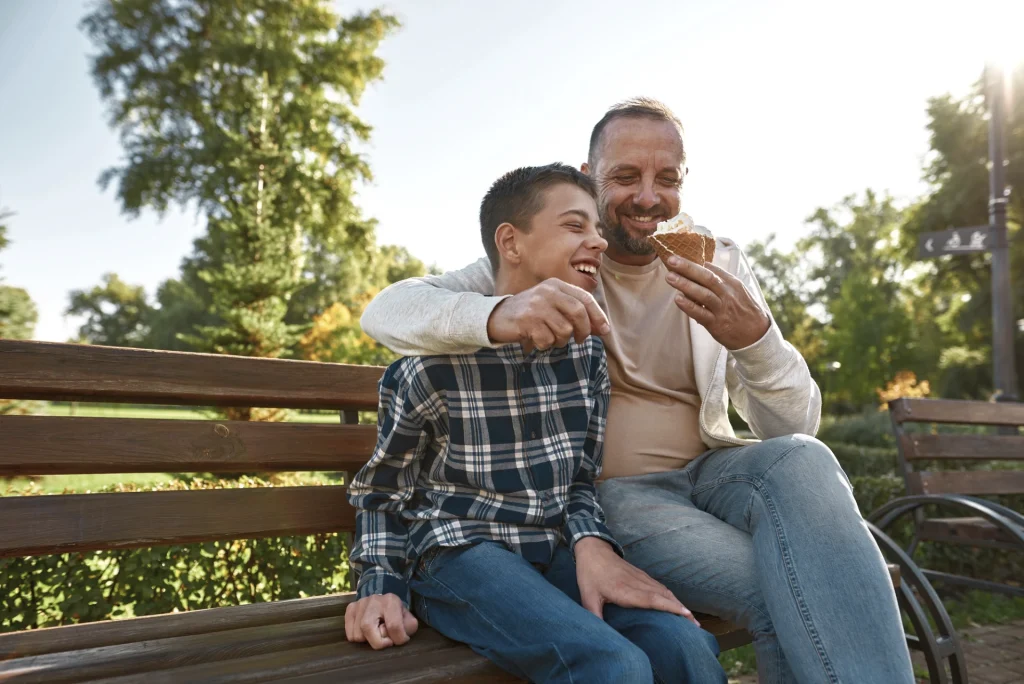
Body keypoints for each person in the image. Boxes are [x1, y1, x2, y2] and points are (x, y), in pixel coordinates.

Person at [359, 99, 915, 684]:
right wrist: (502, 312)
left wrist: (757, 342)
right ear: (589, 177)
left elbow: (793, 424)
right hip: (616, 497)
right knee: (796, 586)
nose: (648, 198)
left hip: (712, 473)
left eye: (666, 180)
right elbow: (387, 313)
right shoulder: (554, 256)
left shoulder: (717, 261)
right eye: (625, 177)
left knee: (806, 456)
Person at [345, 163, 727, 684]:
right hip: (461, 553)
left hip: (554, 550)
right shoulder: (429, 367)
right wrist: (380, 584)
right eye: (576, 226)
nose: (597, 241)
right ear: (511, 243)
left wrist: (593, 543)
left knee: (686, 646)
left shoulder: (586, 356)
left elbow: (579, 482)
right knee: (615, 664)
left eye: (596, 227)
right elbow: (383, 494)